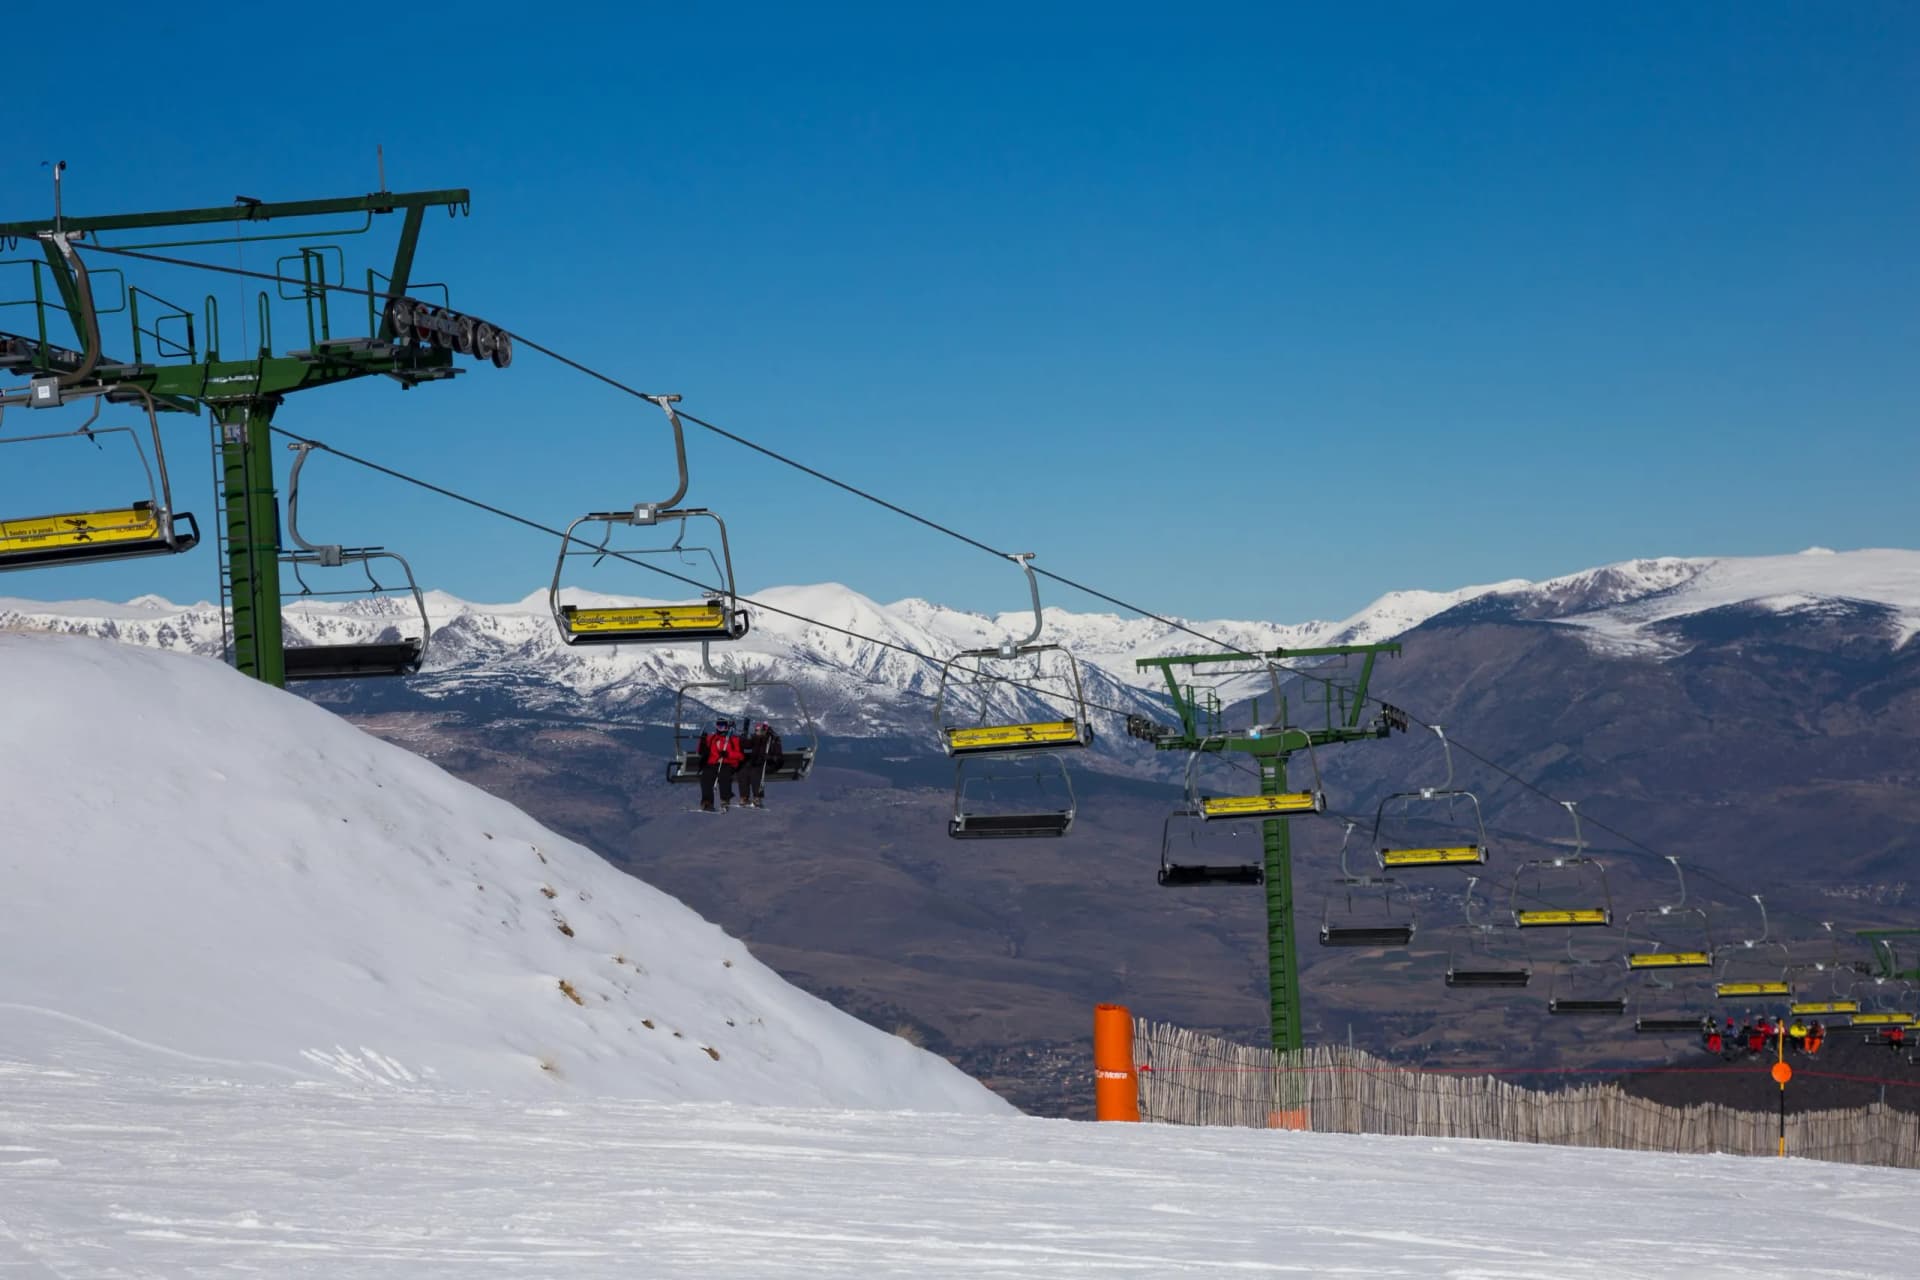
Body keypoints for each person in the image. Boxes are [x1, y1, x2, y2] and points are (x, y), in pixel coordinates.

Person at [696, 717, 743, 812]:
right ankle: (707, 802)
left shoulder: (733, 739)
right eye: (718, 726)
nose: (720, 729)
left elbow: (740, 755)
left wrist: (728, 754)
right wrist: (702, 740)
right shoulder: (712, 738)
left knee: (724, 774)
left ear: (726, 727)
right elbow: (700, 750)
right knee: (706, 776)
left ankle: (725, 800)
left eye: (722, 726)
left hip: (728, 763)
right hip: (713, 763)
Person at [738, 721, 785, 809]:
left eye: (758, 731)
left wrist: (770, 757)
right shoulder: (756, 739)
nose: (757, 732)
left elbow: (779, 757)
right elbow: (746, 745)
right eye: (756, 730)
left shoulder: (772, 740)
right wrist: (743, 735)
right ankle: (744, 797)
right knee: (743, 771)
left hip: (768, 764)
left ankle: (757, 798)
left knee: (755, 772)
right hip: (756, 763)